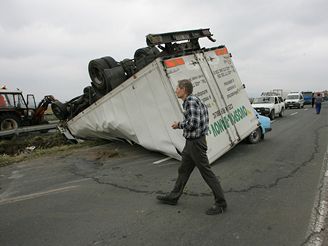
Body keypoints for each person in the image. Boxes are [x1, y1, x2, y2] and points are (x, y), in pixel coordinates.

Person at [156, 79, 227, 215]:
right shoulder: (196, 100)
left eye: (177, 88)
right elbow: (201, 118)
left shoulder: (190, 101)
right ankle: (173, 196)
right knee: (183, 170)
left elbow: (193, 123)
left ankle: (221, 203)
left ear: (183, 89)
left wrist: (179, 125)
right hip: (191, 143)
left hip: (195, 143)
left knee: (206, 172)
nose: (176, 90)